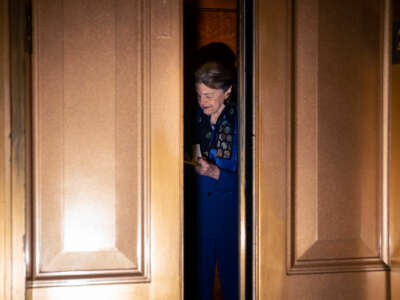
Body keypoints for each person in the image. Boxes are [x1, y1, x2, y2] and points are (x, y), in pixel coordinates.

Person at [192, 60, 238, 300]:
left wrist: (216, 173)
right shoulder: (193, 120)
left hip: (232, 216)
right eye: (199, 95)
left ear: (227, 91)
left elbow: (257, 180)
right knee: (198, 284)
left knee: (234, 284)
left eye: (209, 95)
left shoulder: (242, 122)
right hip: (198, 215)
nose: (202, 102)